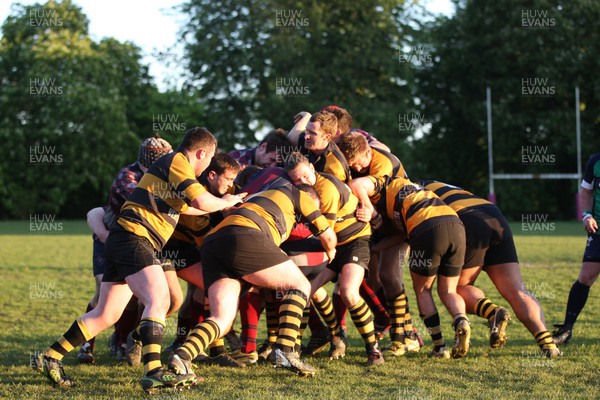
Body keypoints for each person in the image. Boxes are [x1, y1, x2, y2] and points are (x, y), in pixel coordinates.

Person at [32, 127, 246, 393]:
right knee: (159, 300)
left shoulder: (171, 170)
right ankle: (153, 371)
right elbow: (201, 201)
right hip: (135, 237)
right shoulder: (178, 162)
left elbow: (187, 207)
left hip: (125, 239)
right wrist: (225, 200)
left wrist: (224, 204)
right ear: (202, 152)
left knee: (106, 313)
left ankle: (50, 356)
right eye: (209, 158)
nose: (207, 166)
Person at [167, 184, 337, 378]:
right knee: (300, 285)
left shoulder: (262, 195)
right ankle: (286, 351)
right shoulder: (299, 195)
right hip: (245, 235)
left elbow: (232, 213)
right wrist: (331, 251)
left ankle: (182, 355)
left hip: (214, 242)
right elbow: (329, 237)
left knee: (222, 318)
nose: (304, 220)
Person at [422, 181, 561, 358]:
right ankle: (548, 344)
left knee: (455, 289)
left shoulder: (408, 190)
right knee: (518, 290)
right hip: (494, 215)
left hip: (467, 221)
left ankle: (493, 312)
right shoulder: (435, 183)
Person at [350, 176, 471, 359]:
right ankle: (461, 320)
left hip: (427, 227)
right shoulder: (414, 190)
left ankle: (439, 346)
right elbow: (402, 236)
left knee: (423, 290)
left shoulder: (384, 188)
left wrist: (372, 215)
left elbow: (357, 184)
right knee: (449, 290)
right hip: (456, 225)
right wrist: (374, 249)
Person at [78, 137, 173, 364]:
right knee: (107, 295)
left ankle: (131, 339)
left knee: (161, 298)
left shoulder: (166, 178)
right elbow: (149, 203)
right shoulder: (128, 176)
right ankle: (91, 344)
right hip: (116, 239)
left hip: (147, 240)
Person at [284, 153, 384, 366]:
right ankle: (326, 339)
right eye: (296, 180)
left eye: (304, 176)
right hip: (333, 244)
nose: (302, 182)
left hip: (354, 240)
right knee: (305, 291)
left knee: (348, 292)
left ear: (312, 167)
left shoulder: (326, 189)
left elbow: (325, 233)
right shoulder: (302, 190)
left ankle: (374, 351)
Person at [553, 152, 600, 344]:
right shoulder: (595, 161)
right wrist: (587, 215)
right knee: (586, 277)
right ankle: (566, 330)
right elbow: (586, 191)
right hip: (598, 231)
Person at [287, 110, 351, 183]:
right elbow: (288, 141)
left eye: (312, 133)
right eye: (307, 130)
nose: (306, 136)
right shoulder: (305, 139)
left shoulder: (335, 167)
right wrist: (306, 117)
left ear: (327, 137)